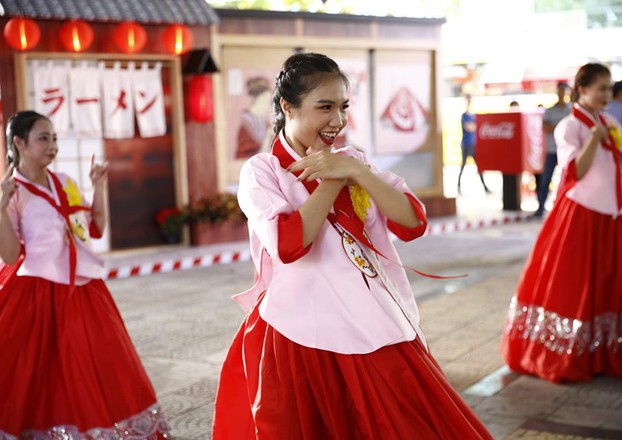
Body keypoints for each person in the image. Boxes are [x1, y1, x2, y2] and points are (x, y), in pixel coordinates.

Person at [212, 52, 492, 439]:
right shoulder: (262, 171)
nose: (337, 120)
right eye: (324, 107)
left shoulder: (352, 161)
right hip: (299, 330)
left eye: (343, 107)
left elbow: (412, 222)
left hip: (371, 318)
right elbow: (290, 245)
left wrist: (356, 171)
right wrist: (331, 181)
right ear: (287, 106)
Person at [0, 111, 170, 438]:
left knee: (92, 367)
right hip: (37, 293)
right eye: (43, 138)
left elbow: (93, 228)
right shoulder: (13, 192)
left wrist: (98, 187)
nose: (52, 146)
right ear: (19, 143)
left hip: (82, 290)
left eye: (54, 138)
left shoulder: (65, 181)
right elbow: (9, 256)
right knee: (39, 373)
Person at [500, 63, 622, 383]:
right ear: (582, 89)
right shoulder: (569, 127)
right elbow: (576, 171)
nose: (605, 94)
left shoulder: (610, 120)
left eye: (607, 88)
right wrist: (593, 139)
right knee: (582, 285)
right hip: (586, 212)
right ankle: (580, 353)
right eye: (600, 88)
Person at [534, 81, 572, 218]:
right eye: (560, 90)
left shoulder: (571, 109)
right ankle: (541, 207)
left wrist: (556, 127)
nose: (562, 93)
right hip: (552, 150)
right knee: (545, 180)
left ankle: (564, 209)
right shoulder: (549, 111)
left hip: (567, 152)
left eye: (564, 90)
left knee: (567, 181)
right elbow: (546, 128)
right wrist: (562, 127)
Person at [457, 94, 490, 194]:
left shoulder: (473, 116)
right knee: (463, 166)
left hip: (473, 144)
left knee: (479, 166)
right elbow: (469, 127)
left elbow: (476, 127)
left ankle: (485, 187)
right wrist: (473, 126)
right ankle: (458, 186)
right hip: (466, 144)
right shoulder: (464, 116)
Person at [235, 76, 273, 159]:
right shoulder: (245, 126)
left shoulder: (265, 123)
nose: (268, 105)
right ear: (259, 99)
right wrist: (267, 139)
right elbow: (243, 157)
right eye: (266, 100)